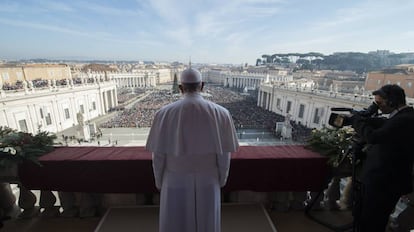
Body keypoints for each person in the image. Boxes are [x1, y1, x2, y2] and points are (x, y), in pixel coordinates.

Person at [146, 67, 239, 232]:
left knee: (175, 223)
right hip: (209, 180)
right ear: (202, 85)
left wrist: (160, 182)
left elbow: (158, 157)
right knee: (207, 223)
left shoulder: (163, 114)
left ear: (181, 88)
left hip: (174, 180)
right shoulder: (222, 113)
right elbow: (224, 157)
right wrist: (221, 180)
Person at [353, 84, 414, 231]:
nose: (378, 107)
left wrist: (357, 121)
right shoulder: (404, 116)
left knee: (372, 220)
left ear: (392, 102)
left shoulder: (405, 119)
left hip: (385, 181)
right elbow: (388, 127)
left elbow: (373, 137)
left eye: (379, 103)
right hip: (381, 178)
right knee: (366, 217)